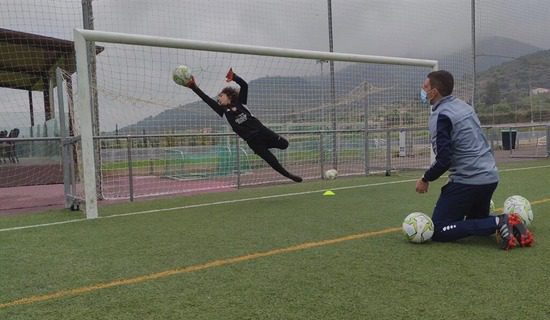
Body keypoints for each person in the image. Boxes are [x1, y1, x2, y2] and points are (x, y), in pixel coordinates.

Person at [415, 70, 533, 250]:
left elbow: (444, 160)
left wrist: (425, 179)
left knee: (438, 230)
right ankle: (507, 225)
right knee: (476, 223)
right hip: (490, 177)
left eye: (425, 87)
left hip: (467, 181)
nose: (422, 90)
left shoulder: (441, 116)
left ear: (435, 91)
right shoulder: (465, 107)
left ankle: (500, 221)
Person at [183, 68, 302, 183]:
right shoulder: (223, 112)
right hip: (253, 142)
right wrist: (194, 87)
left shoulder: (240, 103)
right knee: (272, 161)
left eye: (221, 95)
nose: (218, 98)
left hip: (263, 132)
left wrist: (234, 77)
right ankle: (289, 175)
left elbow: (244, 85)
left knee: (285, 144)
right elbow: (206, 99)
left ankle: (267, 146)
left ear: (229, 95)